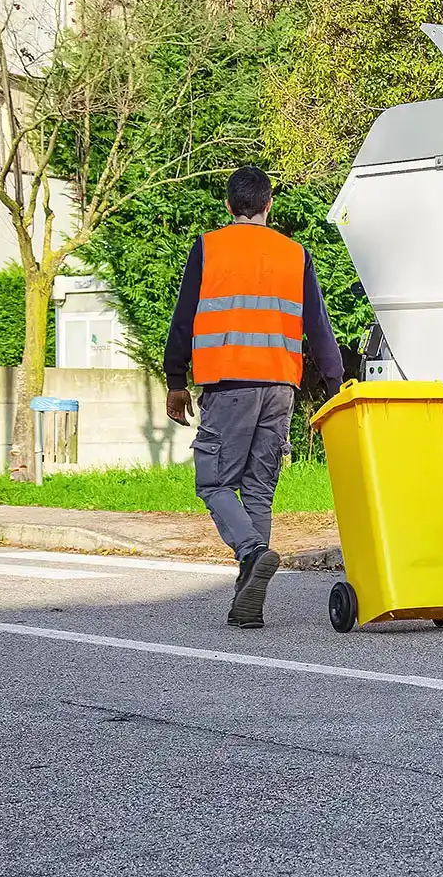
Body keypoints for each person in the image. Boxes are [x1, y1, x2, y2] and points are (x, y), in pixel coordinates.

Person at [163, 167, 344, 629]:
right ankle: (249, 603)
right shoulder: (294, 253)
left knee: (215, 483)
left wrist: (175, 378)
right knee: (260, 489)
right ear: (269, 205)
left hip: (228, 385)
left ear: (229, 207)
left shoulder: (208, 247)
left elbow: (184, 317)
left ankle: (251, 551)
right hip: (281, 386)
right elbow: (318, 325)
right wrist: (335, 383)